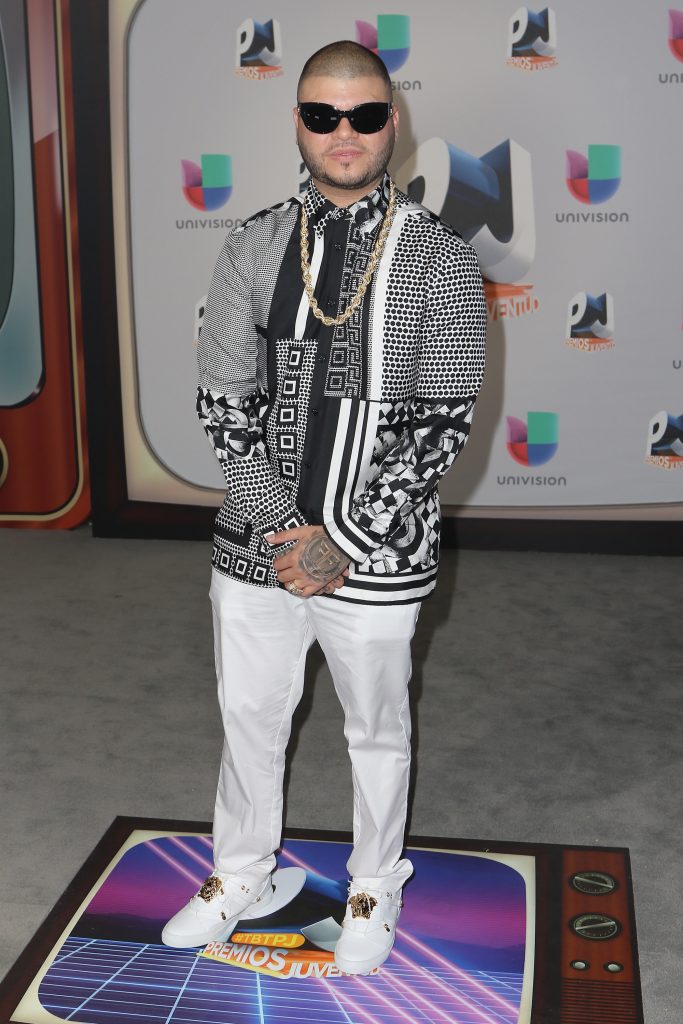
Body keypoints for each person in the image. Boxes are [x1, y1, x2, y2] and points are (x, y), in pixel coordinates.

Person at [162, 39, 486, 975]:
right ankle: (241, 872)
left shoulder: (440, 260)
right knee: (249, 718)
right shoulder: (252, 242)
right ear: (297, 122)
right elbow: (225, 399)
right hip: (253, 548)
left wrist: (338, 539)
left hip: (379, 556)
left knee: (376, 729)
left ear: (393, 122)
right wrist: (282, 529)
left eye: (364, 115)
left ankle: (376, 880)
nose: (343, 134)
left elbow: (437, 424)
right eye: (320, 114)